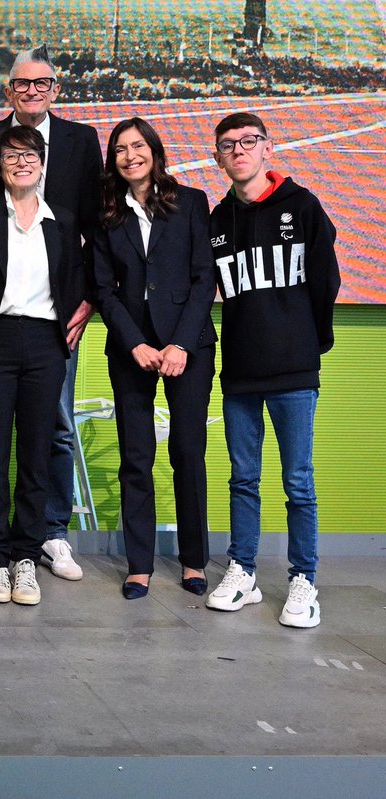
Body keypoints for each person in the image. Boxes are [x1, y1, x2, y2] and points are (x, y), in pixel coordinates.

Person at [0, 45, 102, 582]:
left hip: (54, 325)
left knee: (53, 433)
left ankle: (48, 536)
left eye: (42, 83)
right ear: (9, 90)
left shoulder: (82, 142)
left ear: (55, 89)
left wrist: (87, 300)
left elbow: (94, 230)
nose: (32, 91)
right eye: (22, 84)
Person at [205, 112, 340, 628]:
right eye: (228, 145)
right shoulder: (217, 221)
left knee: (298, 482)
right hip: (240, 370)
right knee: (244, 478)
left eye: (248, 141)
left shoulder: (302, 206)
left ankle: (304, 578)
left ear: (266, 148)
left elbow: (326, 280)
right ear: (219, 156)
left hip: (293, 370)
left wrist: (311, 342)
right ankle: (243, 570)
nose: (238, 151)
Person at [93, 118, 217, 599]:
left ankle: (193, 561)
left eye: (138, 146)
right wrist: (135, 343)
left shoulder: (190, 203)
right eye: (120, 149)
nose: (130, 156)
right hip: (132, 349)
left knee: (188, 452)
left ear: (154, 150)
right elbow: (104, 289)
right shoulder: (107, 213)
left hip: (189, 347)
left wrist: (181, 344)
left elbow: (204, 278)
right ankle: (139, 565)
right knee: (136, 457)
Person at [0, 126, 86, 606]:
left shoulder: (63, 222)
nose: (20, 162)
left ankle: (24, 558)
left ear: (42, 163)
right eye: (11, 155)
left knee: (36, 453)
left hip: (45, 343)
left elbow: (75, 283)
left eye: (29, 154)